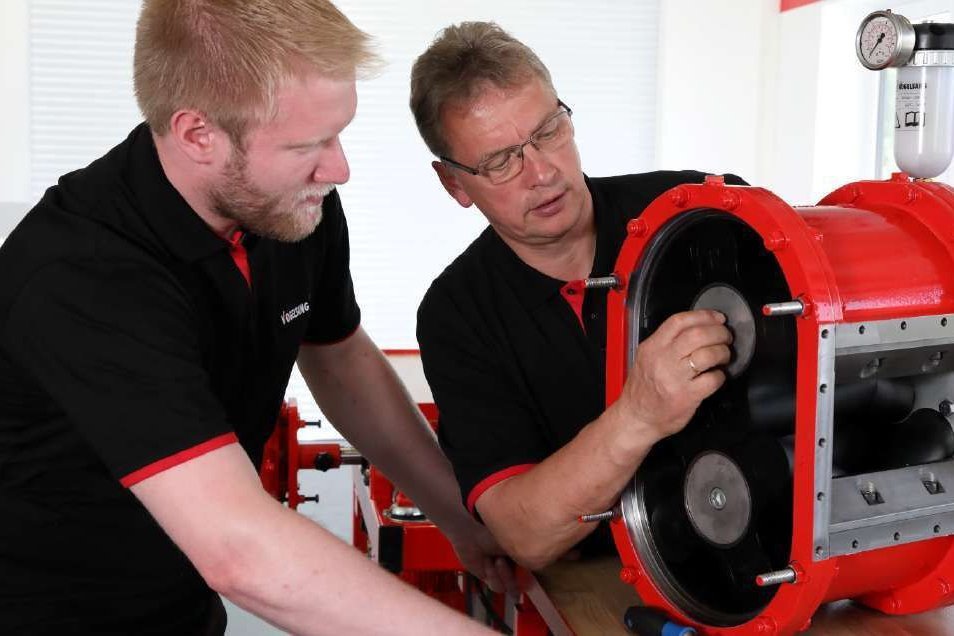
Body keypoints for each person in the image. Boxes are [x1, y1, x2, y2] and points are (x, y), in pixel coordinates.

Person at [0, 2, 509, 634]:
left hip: (182, 607)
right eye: (309, 145)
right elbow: (239, 550)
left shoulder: (289, 206)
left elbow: (339, 357)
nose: (339, 168)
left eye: (338, 132)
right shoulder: (80, 274)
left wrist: (462, 519)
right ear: (197, 135)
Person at [411, 22, 745, 572]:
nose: (542, 172)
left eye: (549, 131)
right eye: (500, 162)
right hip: (599, 590)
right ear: (453, 184)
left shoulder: (703, 211)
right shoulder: (458, 314)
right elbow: (526, 535)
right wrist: (640, 414)